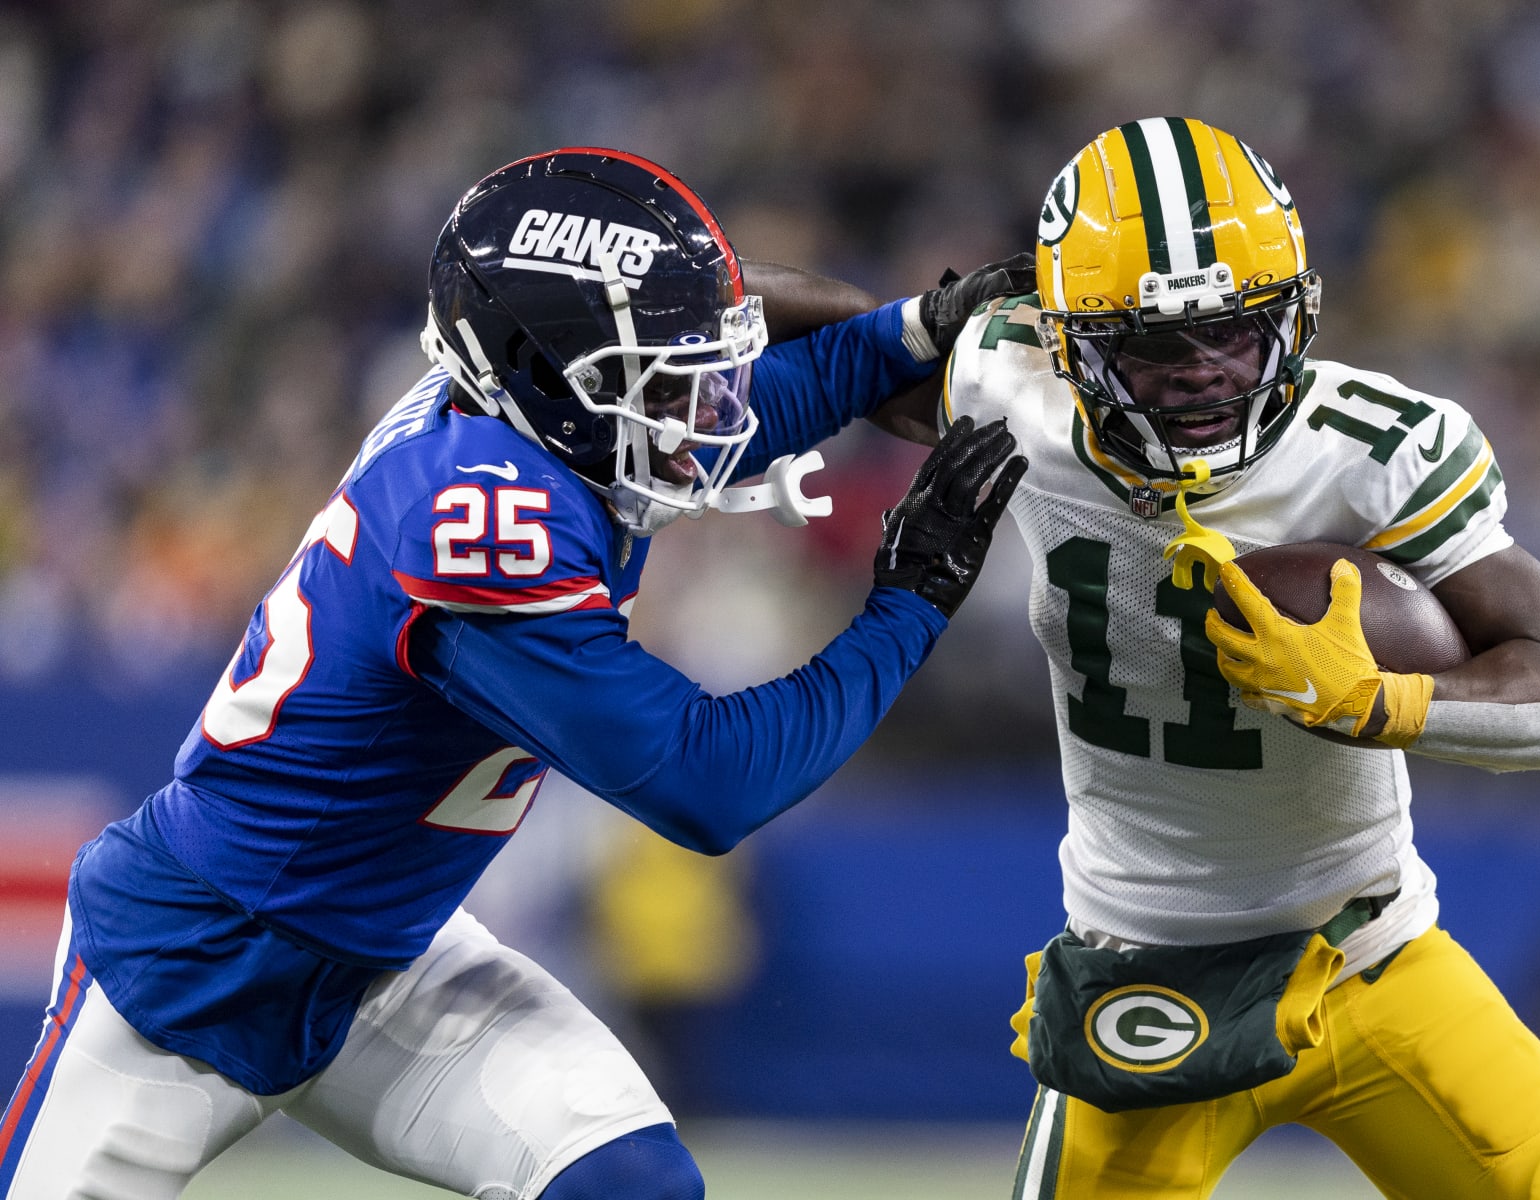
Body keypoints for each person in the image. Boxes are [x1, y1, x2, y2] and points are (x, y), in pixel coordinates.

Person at [0, 147, 1027, 1200]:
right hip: (199, 957)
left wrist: (911, 332)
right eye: (663, 379)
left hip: (387, 958)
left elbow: (759, 387)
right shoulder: (481, 518)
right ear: (547, 377)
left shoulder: (535, 419)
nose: (700, 411)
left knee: (632, 1188)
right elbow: (713, 783)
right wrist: (911, 601)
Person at [877, 118, 1540, 1197]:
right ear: (1070, 341)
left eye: (1234, 336)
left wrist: (1380, 701)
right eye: (1153, 348)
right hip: (1143, 971)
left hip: (1374, 954)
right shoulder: (1014, 391)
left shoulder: (1373, 453)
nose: (1199, 377)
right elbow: (799, 345)